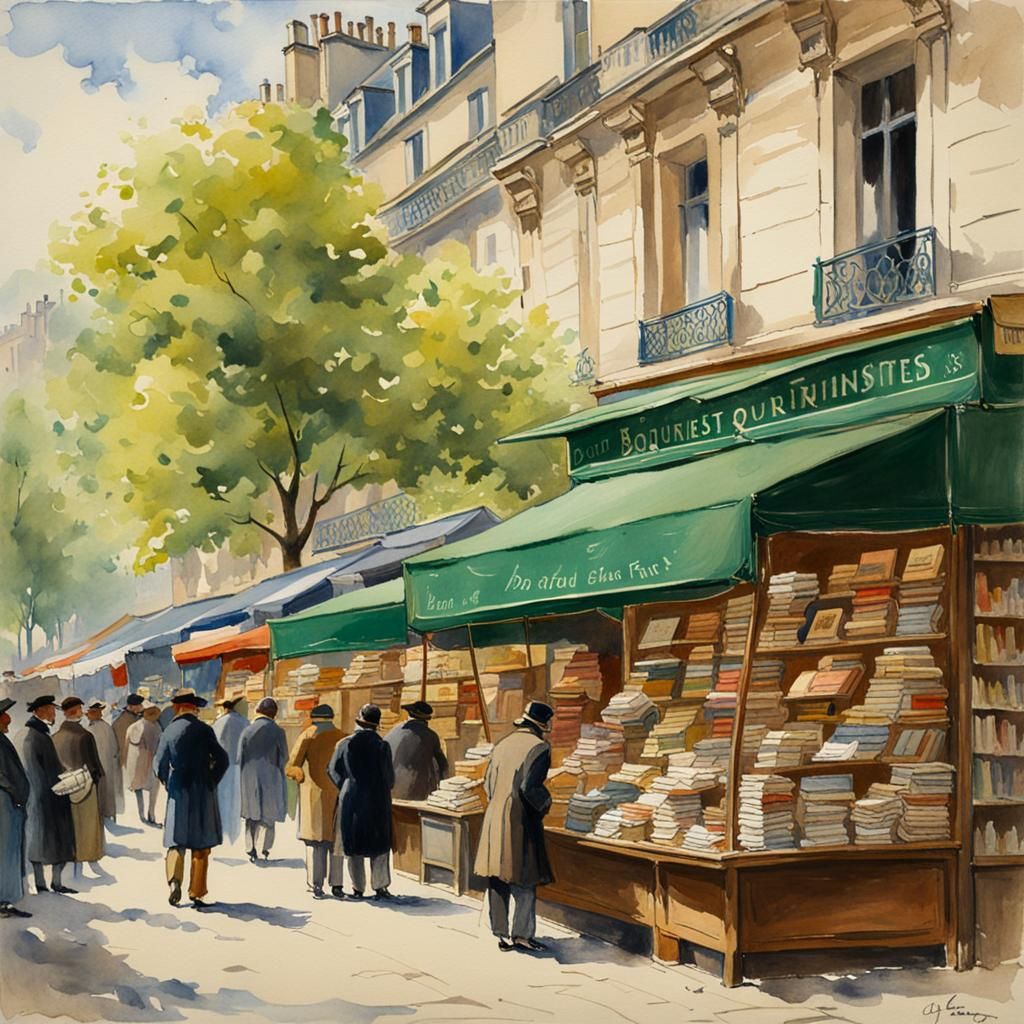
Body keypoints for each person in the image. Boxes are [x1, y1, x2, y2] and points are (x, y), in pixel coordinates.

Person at [474, 700, 555, 953]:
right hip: (520, 819)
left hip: (495, 816)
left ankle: (501, 934)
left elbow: (488, 784)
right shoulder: (539, 747)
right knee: (524, 877)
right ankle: (522, 935)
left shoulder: (502, 744)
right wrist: (547, 804)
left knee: (497, 877)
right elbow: (530, 789)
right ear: (542, 725)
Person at [154, 689, 229, 909]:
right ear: (194, 708)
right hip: (203, 791)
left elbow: (158, 765)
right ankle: (196, 892)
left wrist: (169, 783)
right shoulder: (205, 730)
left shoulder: (168, 731)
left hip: (178, 791)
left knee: (176, 841)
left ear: (177, 708)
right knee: (201, 844)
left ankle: (174, 881)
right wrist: (211, 780)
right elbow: (222, 759)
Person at [327, 703, 395, 900]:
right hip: (377, 799)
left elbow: (331, 770)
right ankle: (380, 886)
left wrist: (345, 785)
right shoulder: (382, 746)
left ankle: (358, 888)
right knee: (379, 844)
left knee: (353, 843)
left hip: (351, 798)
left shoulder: (344, 743)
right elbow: (390, 778)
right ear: (376, 724)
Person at [19, 695, 76, 894]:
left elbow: (51, 766)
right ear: (41, 711)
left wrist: (63, 774)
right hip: (44, 799)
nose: (54, 714)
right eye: (52, 710)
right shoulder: (33, 737)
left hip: (51, 797)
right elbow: (36, 773)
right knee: (43, 843)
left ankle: (55, 883)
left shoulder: (41, 735)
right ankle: (43, 884)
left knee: (54, 842)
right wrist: (58, 785)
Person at [286, 704, 344, 899]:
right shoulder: (341, 735)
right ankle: (337, 884)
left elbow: (293, 765)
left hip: (313, 794)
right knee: (335, 840)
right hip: (337, 792)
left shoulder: (307, 735)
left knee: (315, 842)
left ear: (313, 718)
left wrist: (299, 777)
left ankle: (316, 884)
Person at [53, 696, 107, 876]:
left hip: (63, 786)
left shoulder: (55, 737)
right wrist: (96, 779)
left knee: (71, 827)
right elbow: (95, 766)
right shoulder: (85, 736)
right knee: (87, 827)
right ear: (74, 712)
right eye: (80, 709)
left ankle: (71, 865)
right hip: (85, 786)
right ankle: (85, 862)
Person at [239, 697, 288, 862]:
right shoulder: (279, 732)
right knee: (268, 815)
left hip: (249, 776)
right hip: (271, 777)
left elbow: (239, 757)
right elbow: (284, 757)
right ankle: (263, 848)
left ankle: (249, 846)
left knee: (251, 814)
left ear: (258, 711)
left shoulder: (247, 731)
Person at [0, 697, 31, 918]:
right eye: (5, 720)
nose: (8, 724)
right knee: (5, 851)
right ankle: (3, 900)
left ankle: (7, 899)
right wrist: (16, 793)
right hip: (5, 804)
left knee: (10, 850)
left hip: (10, 803)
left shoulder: (2, 740)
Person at [384, 700, 448, 801]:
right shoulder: (430, 736)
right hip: (415, 793)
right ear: (425, 720)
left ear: (409, 716)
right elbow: (442, 765)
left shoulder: (393, 731)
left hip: (389, 791)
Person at [211, 697, 247, 845]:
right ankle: (234, 834)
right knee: (236, 800)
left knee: (221, 799)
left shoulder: (218, 723)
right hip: (238, 765)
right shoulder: (244, 722)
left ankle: (222, 831)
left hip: (221, 766)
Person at [85, 701, 123, 824]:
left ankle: (101, 815)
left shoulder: (90, 729)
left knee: (100, 790)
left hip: (98, 764)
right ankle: (109, 814)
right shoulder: (106, 727)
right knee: (107, 789)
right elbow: (114, 748)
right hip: (107, 764)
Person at [125, 702, 162, 825]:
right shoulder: (137, 727)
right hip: (140, 761)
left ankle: (150, 814)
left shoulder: (156, 726)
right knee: (140, 787)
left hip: (150, 761)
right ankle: (143, 815)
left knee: (150, 788)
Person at [112, 694, 144, 772]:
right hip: (131, 761)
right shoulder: (132, 722)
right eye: (138, 705)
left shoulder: (120, 719)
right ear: (131, 706)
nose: (141, 706)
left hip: (122, 761)